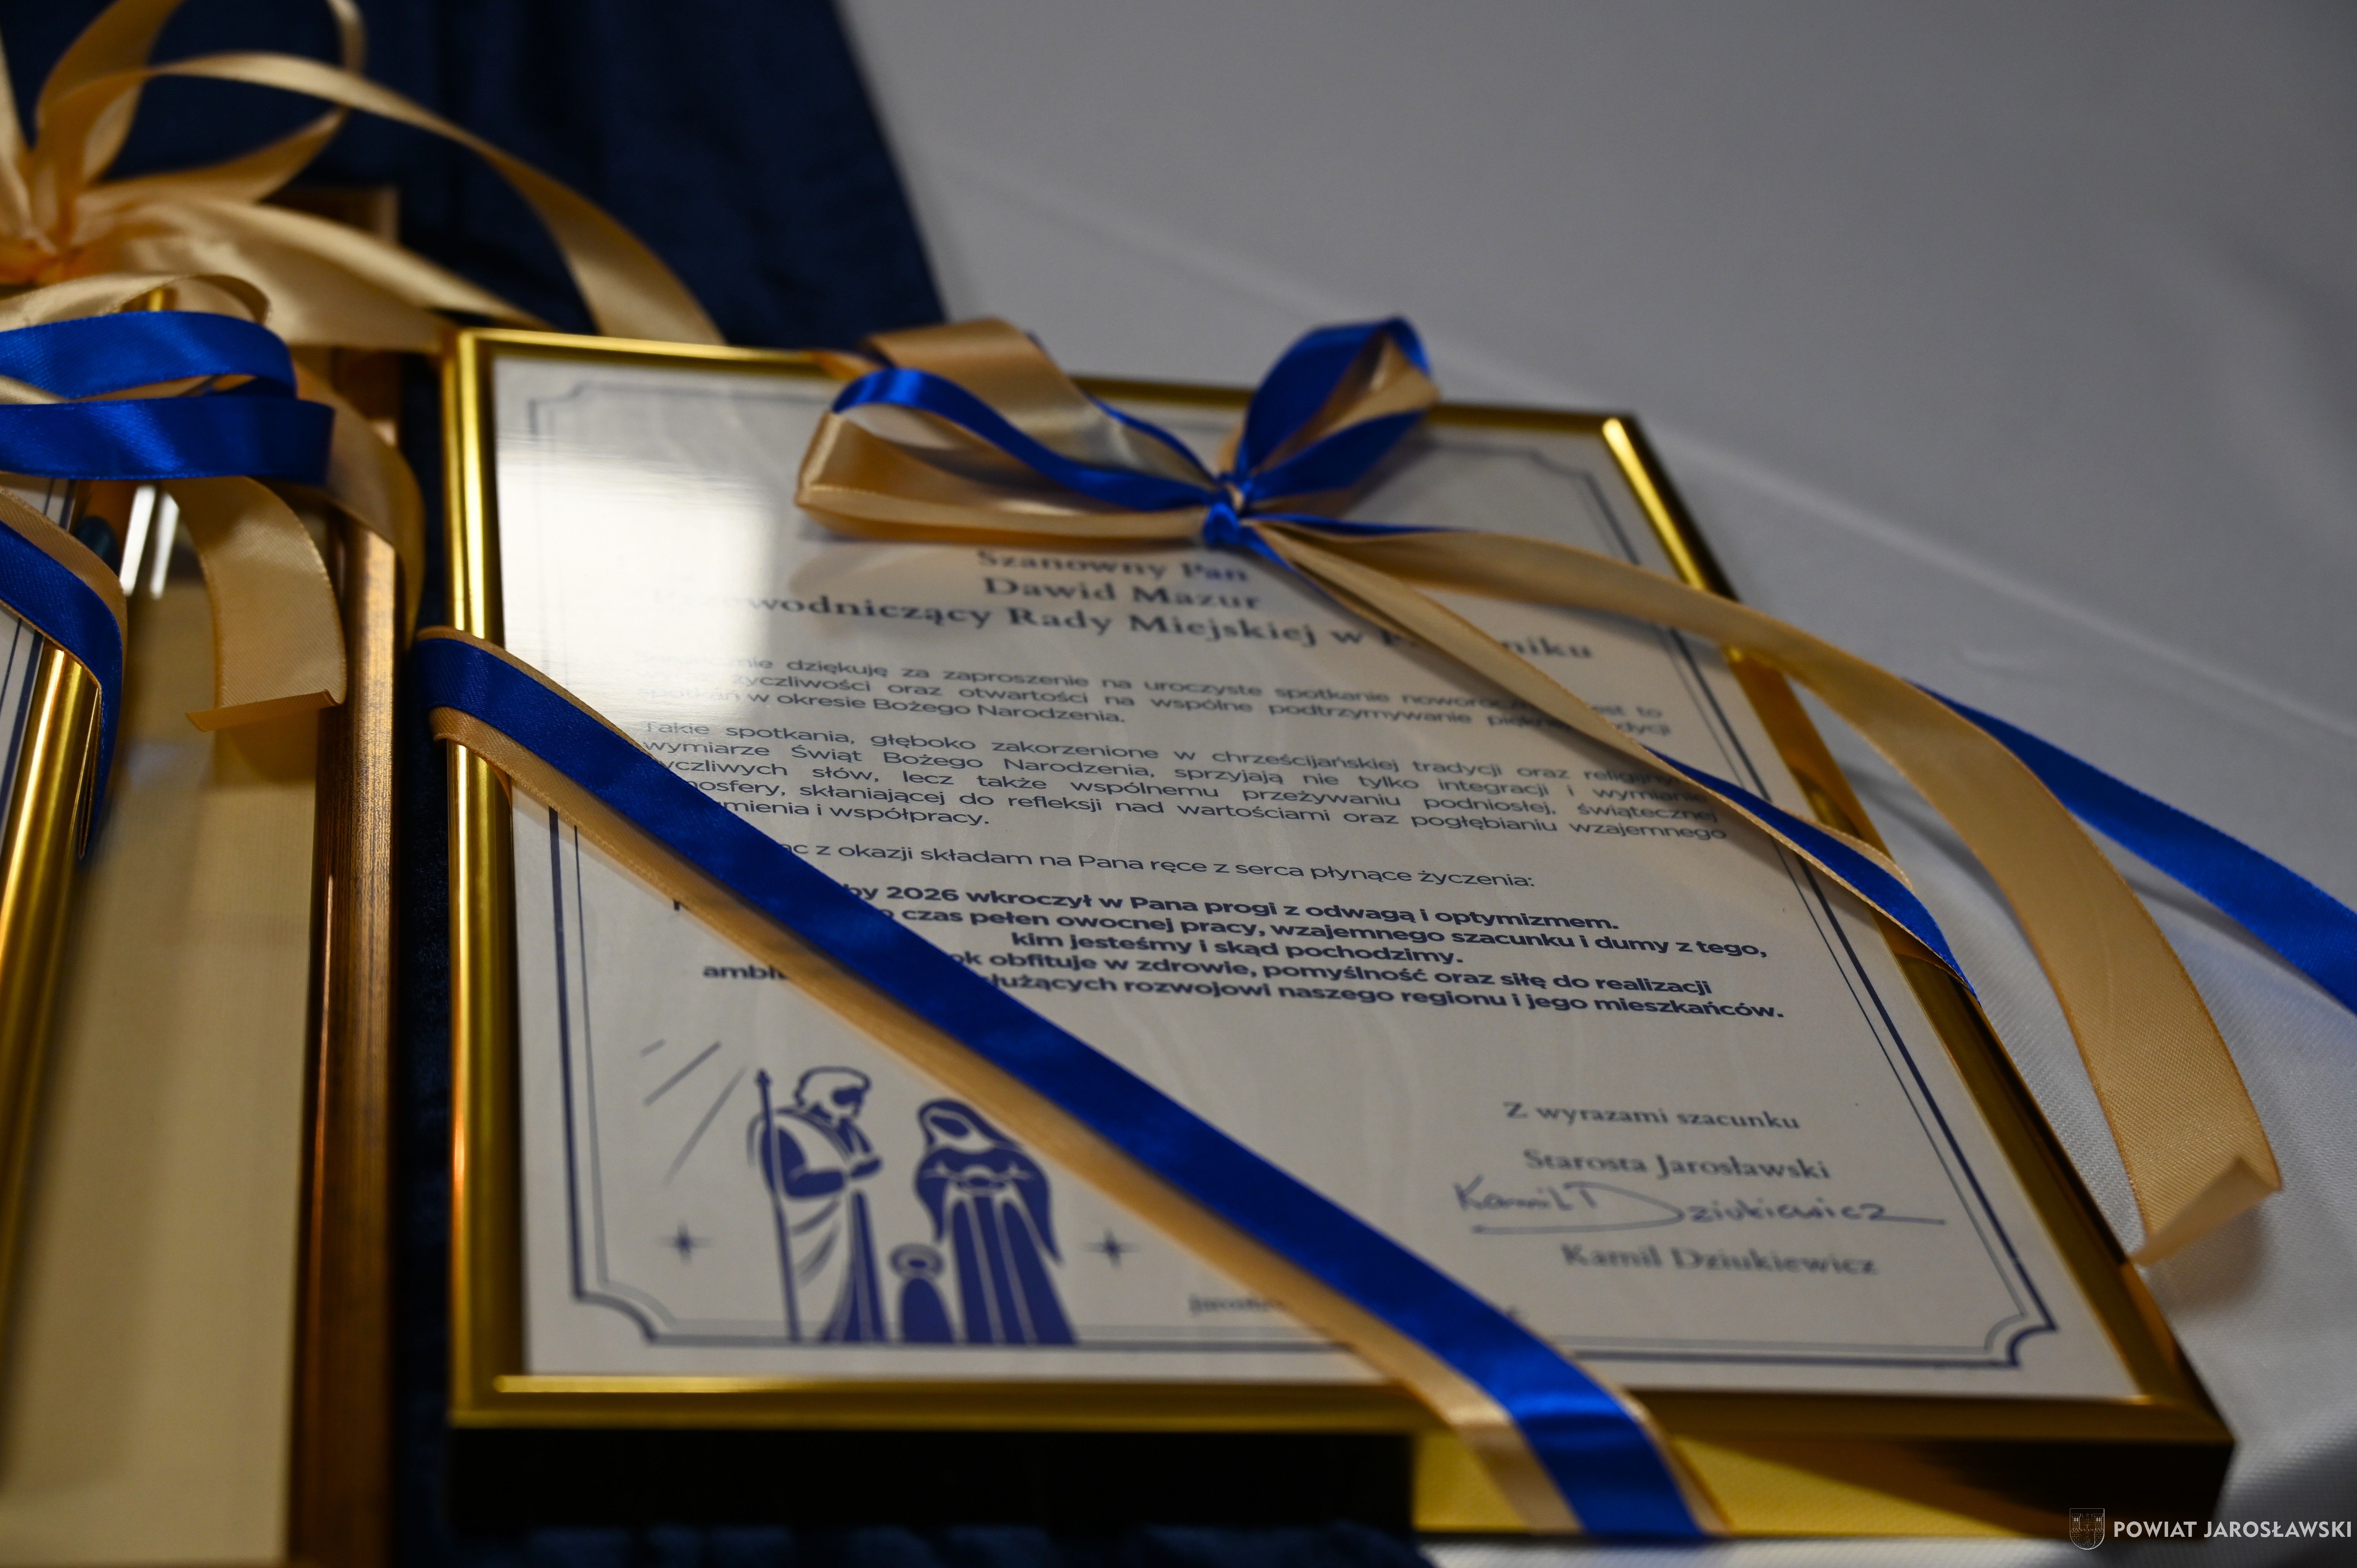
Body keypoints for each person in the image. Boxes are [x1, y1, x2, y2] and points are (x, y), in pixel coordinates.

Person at [913, 1099, 1073, 1345]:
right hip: (965, 1221)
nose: (947, 1129)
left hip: (1007, 1219)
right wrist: (958, 1184)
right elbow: (929, 1183)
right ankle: (983, 1333)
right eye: (938, 1125)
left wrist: (1001, 1183)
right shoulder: (942, 1157)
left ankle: (1041, 1332)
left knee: (1020, 1273)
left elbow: (1032, 1180)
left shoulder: (1007, 1154)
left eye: (950, 1122)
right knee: (975, 1274)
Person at [749, 1067, 885, 1342]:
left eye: (860, 1097)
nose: (858, 1104)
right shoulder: (783, 1127)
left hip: (852, 1224)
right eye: (851, 1096)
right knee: (822, 1302)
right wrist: (847, 1176)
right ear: (826, 1094)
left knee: (860, 1288)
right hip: (812, 1231)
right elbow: (790, 1184)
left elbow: (869, 1160)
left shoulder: (848, 1130)